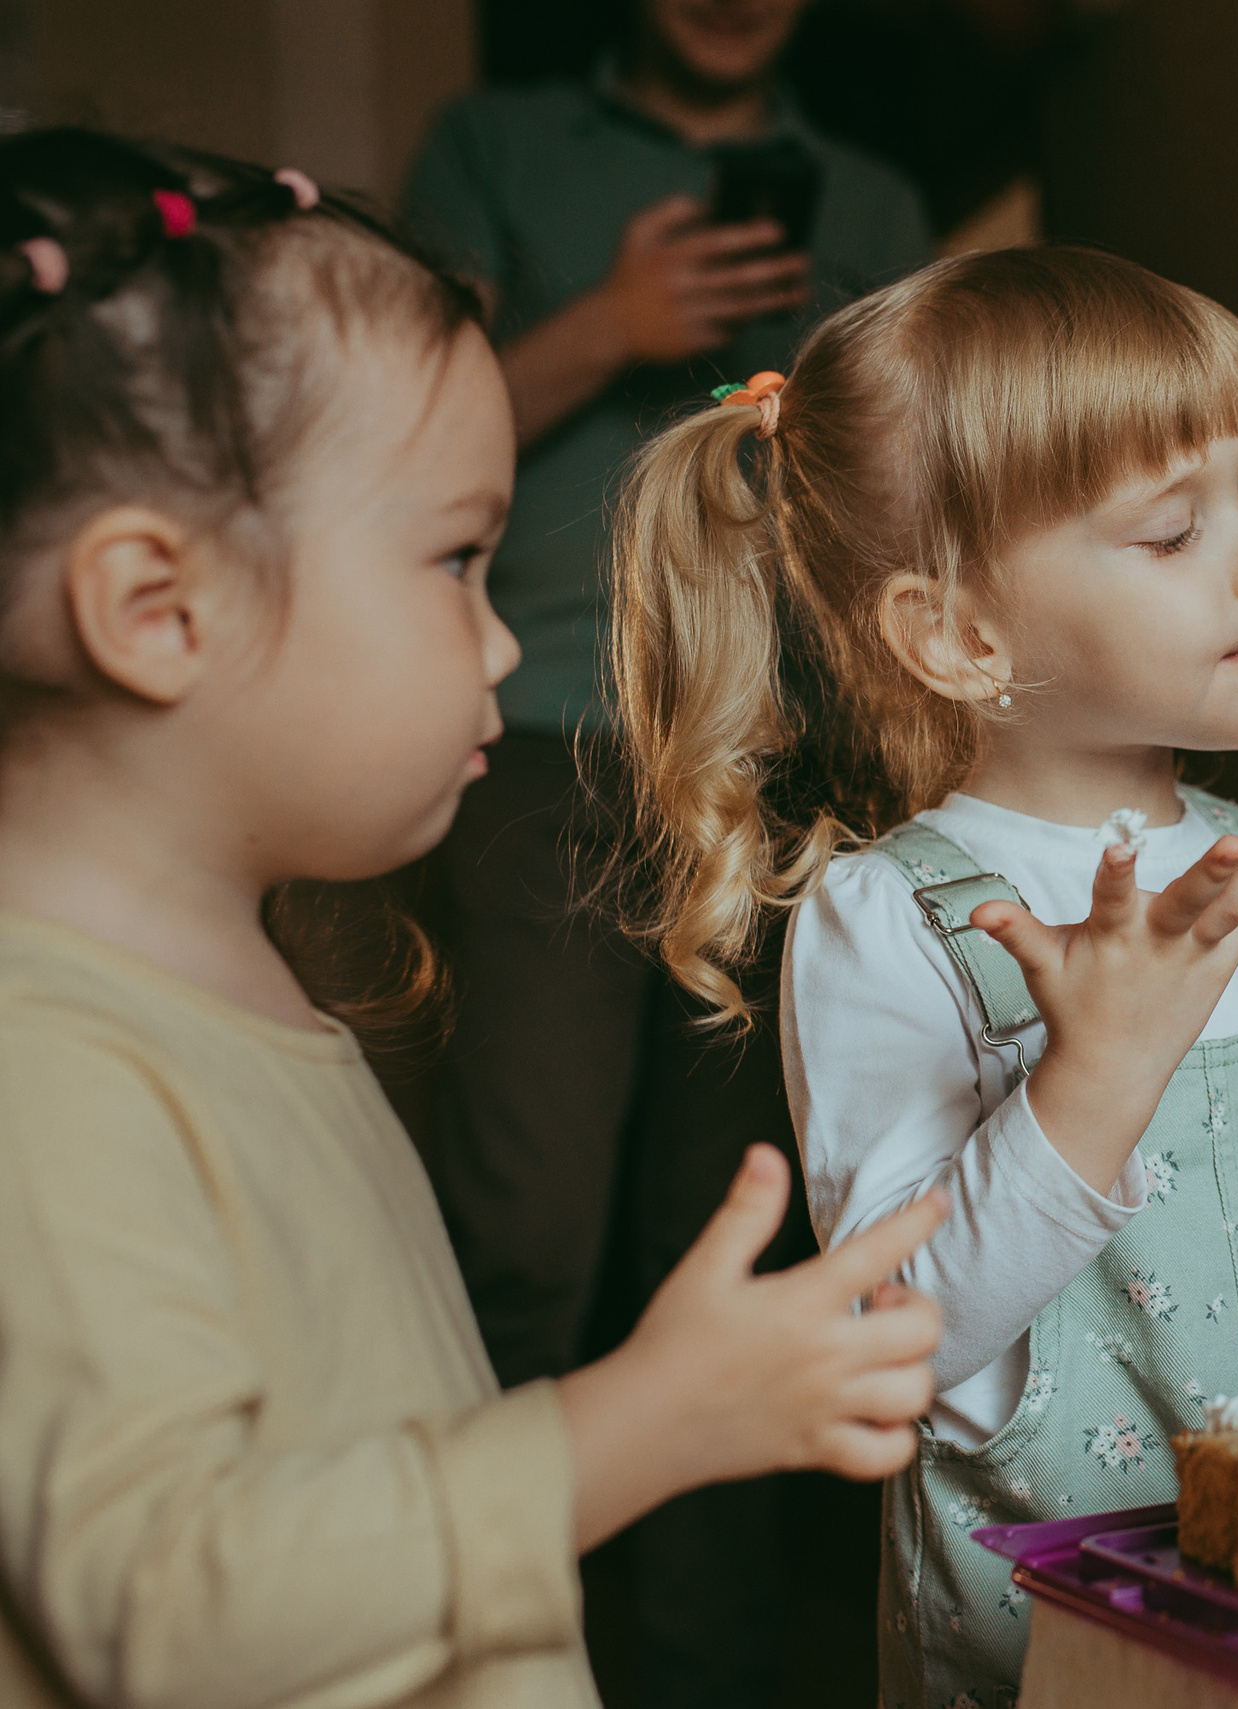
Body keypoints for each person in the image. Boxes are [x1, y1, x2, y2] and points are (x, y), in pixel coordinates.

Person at [0, 129, 945, 1707]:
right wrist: (634, 1422)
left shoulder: (240, 971)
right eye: (455, 560)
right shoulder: (46, 1068)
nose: (502, 649)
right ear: (159, 611)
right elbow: (168, 1609)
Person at [603, 245, 1238, 1705]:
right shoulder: (890, 920)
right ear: (959, 636)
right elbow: (900, 1339)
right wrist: (1093, 1077)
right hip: (1061, 1645)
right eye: (1169, 531)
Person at [401, 2, 936, 1692]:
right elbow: (395, 432)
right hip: (541, 729)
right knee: (526, 1215)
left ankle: (704, 1674)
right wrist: (609, 323)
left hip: (776, 746)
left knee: (731, 1229)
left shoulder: (871, 199)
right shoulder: (495, 151)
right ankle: (474, 1643)